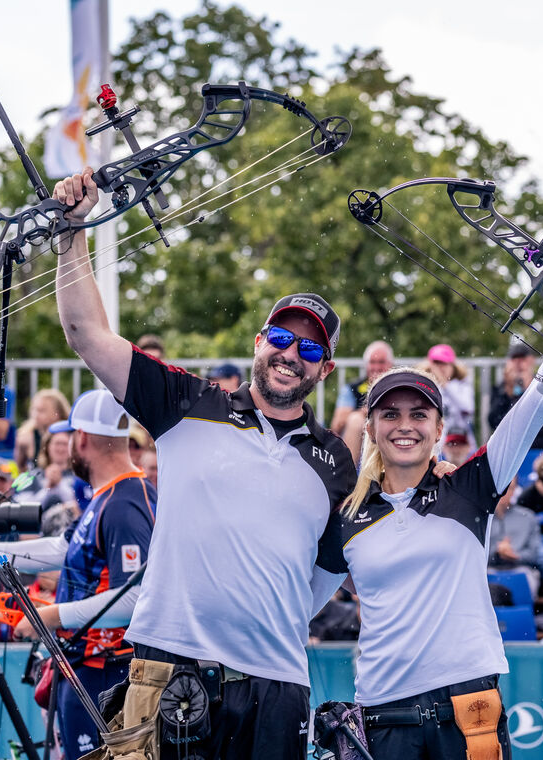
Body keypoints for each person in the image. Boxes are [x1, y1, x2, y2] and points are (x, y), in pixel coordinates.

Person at [51, 164, 356, 760]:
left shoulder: (337, 462)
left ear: (326, 369)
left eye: (312, 347)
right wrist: (72, 229)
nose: (292, 353)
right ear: (259, 342)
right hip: (169, 666)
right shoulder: (188, 402)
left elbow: (321, 583)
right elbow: (86, 333)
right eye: (282, 337)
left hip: (277, 684)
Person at [315, 268, 543, 759]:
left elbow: (538, 399)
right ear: (369, 426)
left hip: (469, 711)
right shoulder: (345, 515)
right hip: (384, 719)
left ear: (440, 427)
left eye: (418, 415)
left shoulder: (470, 485)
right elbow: (295, 606)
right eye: (389, 414)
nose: (404, 426)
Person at [0, 390, 157, 760]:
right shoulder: (108, 496)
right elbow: (63, 549)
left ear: (82, 439)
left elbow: (134, 599)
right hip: (86, 668)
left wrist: (50, 616)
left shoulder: (125, 501)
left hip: (106, 672)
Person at [488, 480, 543, 598]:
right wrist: (497, 553)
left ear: (514, 490)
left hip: (521, 569)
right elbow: (473, 555)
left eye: (509, 488)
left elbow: (534, 555)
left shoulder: (528, 517)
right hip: (488, 570)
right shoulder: (480, 517)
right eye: (500, 487)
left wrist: (513, 555)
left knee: (527, 578)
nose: (504, 493)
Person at [423, 342, 476, 438]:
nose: (440, 368)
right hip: (434, 440)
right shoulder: (424, 385)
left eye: (444, 363)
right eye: (437, 363)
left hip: (460, 440)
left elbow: (467, 408)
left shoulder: (462, 385)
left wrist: (445, 384)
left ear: (452, 366)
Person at [14, 389, 70, 471]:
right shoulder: (26, 438)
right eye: (34, 409)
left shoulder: (70, 435)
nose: (36, 415)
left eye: (42, 411)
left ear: (57, 414)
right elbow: (20, 469)